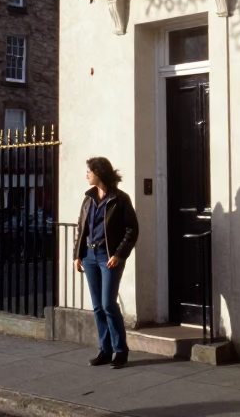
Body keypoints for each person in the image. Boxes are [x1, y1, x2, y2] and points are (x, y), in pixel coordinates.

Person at [74, 157, 138, 369]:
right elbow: (80, 229)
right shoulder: (88, 199)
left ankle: (121, 350)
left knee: (108, 304)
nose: (87, 175)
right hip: (90, 257)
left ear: (99, 173)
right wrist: (77, 254)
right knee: (97, 306)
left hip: (109, 257)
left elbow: (132, 230)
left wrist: (119, 254)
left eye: (89, 171)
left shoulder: (120, 199)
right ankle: (105, 350)